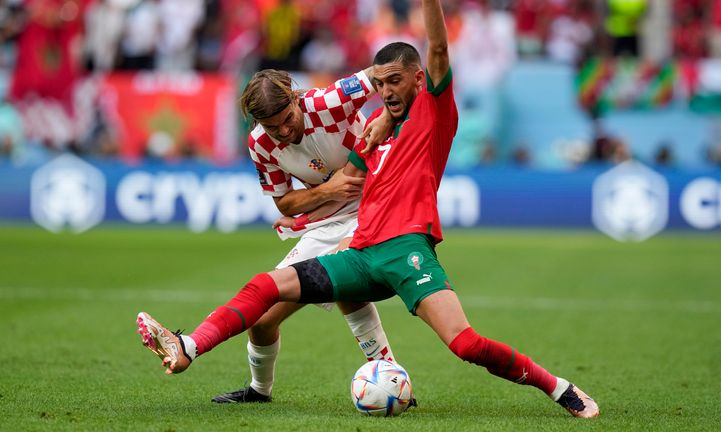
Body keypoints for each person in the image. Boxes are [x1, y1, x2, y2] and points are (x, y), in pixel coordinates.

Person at [137, 0, 599, 418]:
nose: (386, 91)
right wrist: (304, 214)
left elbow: (436, 50)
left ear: (419, 80)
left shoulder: (434, 117)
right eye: (380, 84)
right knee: (266, 287)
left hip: (405, 252)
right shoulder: (371, 139)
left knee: (465, 344)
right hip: (359, 251)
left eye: (394, 81)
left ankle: (557, 387)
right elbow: (342, 186)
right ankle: (188, 346)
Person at [206, 66, 401, 404]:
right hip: (327, 218)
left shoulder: (331, 100)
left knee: (345, 272)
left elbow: (388, 68)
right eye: (271, 126)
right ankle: (259, 391)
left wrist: (386, 115)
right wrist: (329, 190)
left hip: (377, 201)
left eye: (287, 118)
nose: (283, 130)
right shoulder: (260, 144)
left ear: (296, 98)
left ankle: (390, 375)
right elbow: (285, 203)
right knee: (263, 318)